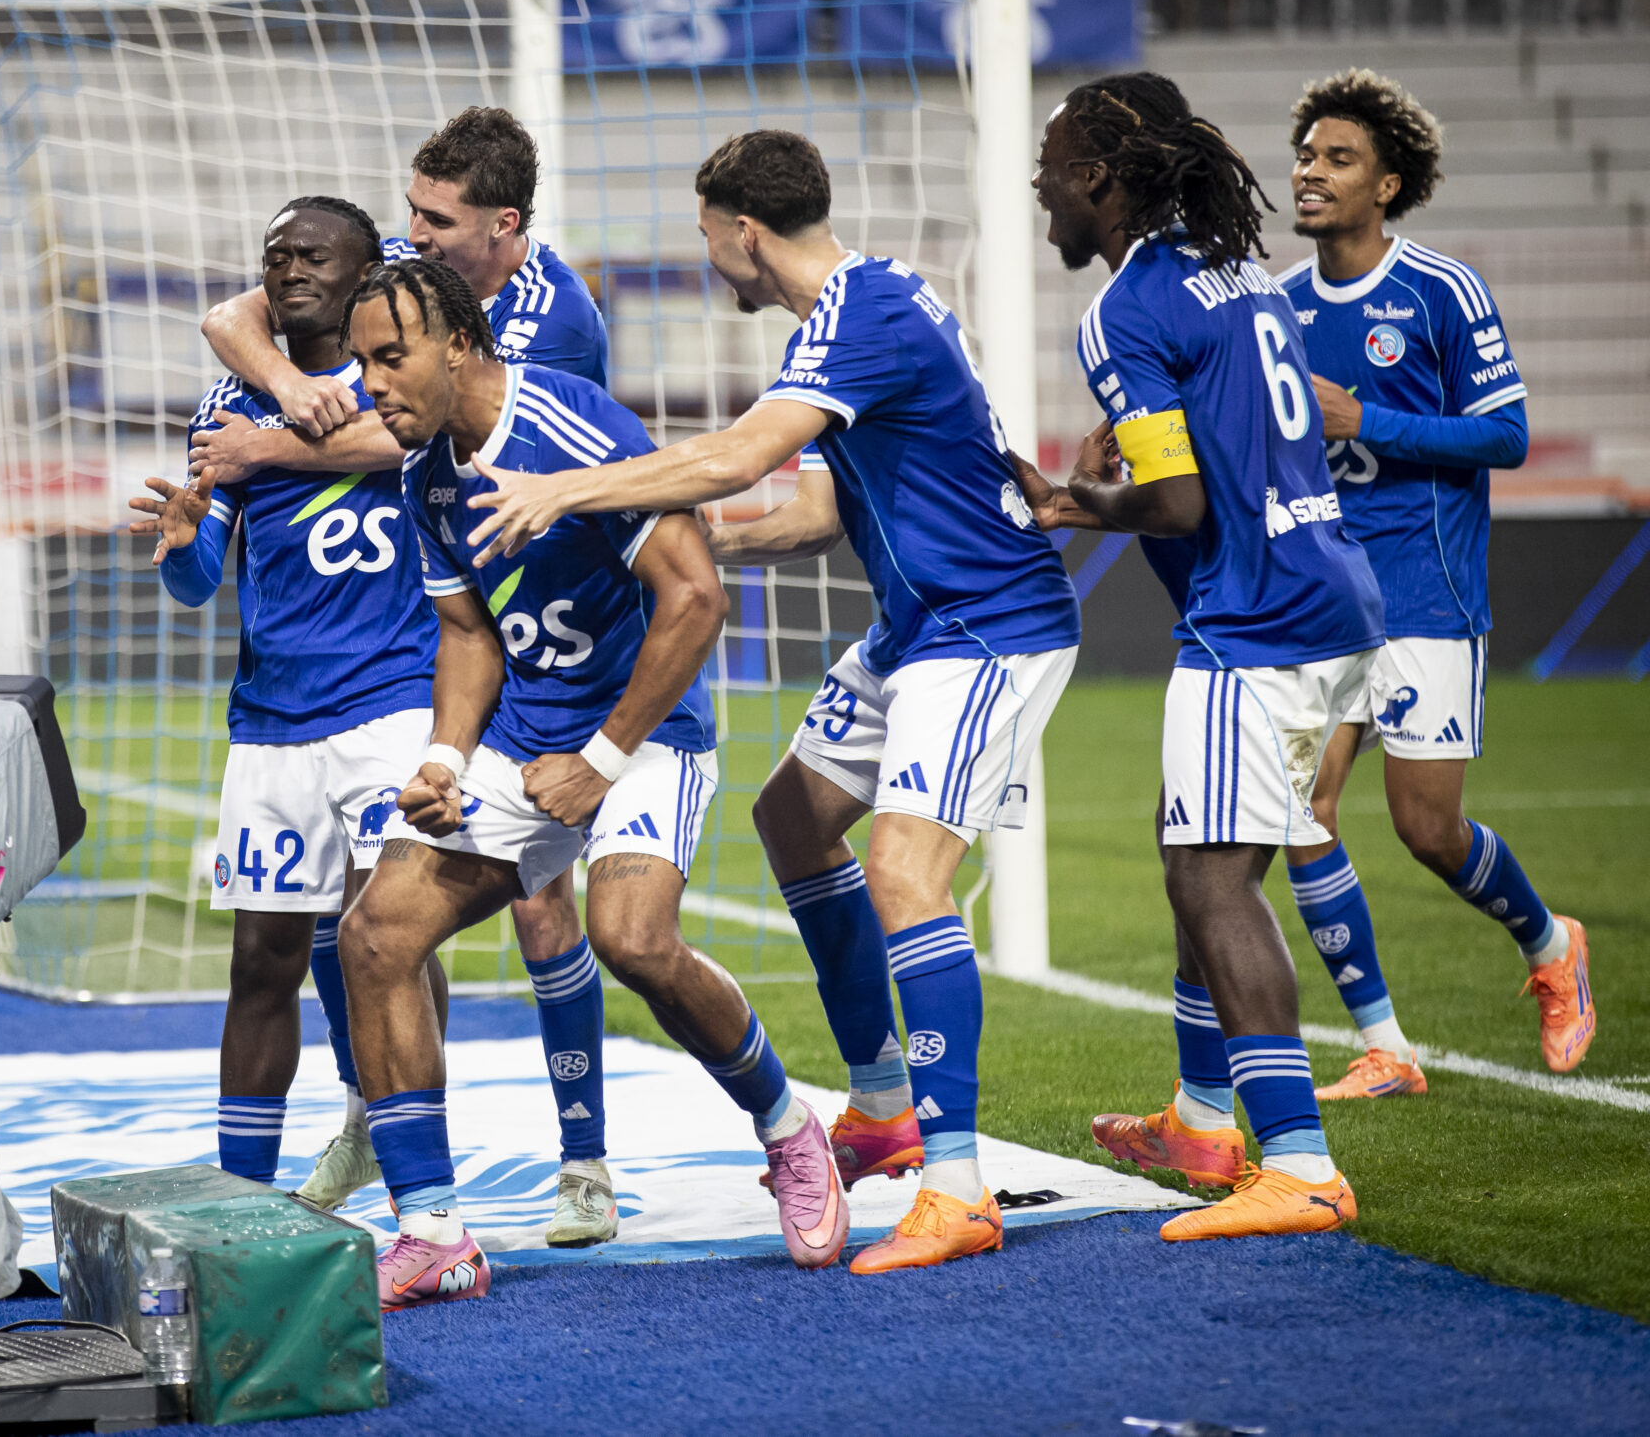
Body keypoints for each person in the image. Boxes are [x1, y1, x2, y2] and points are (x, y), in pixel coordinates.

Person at [466, 129, 1082, 1272]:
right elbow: (807, 511)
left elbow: (740, 456)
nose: (709, 262)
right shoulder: (867, 307)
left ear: (743, 231)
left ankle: (954, 1187)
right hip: (916, 629)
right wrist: (683, 552)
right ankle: (882, 1104)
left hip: (988, 627)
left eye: (708, 239)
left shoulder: (861, 312)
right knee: (790, 821)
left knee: (903, 870)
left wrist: (573, 492)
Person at [339, 258, 846, 1310]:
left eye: (389, 358)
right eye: (359, 364)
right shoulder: (420, 473)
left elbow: (696, 596)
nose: (369, 385)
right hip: (530, 739)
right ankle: (431, 1232)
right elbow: (469, 631)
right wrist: (441, 762)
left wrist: (602, 762)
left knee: (633, 943)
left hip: (644, 735)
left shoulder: (571, 427)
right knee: (376, 934)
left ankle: (790, 1133)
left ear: (458, 346)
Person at [188, 110, 622, 1236]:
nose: (415, 239)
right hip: (463, 614)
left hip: (548, 626)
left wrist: (268, 439)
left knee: (546, 909)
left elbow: (409, 435)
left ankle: (586, 1161)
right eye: (411, 216)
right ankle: (372, 1120)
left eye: (435, 222)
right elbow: (233, 312)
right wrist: (285, 385)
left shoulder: (551, 323)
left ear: (502, 225)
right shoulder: (413, 289)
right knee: (364, 918)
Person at [1029, 71, 1382, 1242]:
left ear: (1094, 177)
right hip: (1328, 588)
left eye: (1050, 164)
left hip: (1255, 614)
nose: (1038, 184)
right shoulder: (1232, 265)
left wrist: (1088, 500)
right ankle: (1195, 1118)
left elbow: (1174, 502)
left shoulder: (1122, 306)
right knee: (1202, 853)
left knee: (1208, 881)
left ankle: (1296, 1163)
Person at [127, 198, 491, 1227]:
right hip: (272, 722)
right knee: (261, 961)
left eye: (310, 257)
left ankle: (416, 1179)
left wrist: (280, 439)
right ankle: (242, 1205)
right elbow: (200, 584)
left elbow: (400, 443)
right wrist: (189, 535)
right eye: (274, 257)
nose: (287, 272)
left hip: (390, 707)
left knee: (389, 933)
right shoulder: (225, 404)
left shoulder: (400, 386)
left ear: (365, 269)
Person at [1275, 68, 1592, 1086]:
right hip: (1326, 597)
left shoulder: (1440, 292)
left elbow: (1505, 436)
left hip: (1424, 591)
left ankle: (1550, 947)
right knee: (1300, 815)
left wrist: (1363, 420)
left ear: (1387, 184)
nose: (1309, 172)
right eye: (1307, 155)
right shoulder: (1277, 308)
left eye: (1337, 159)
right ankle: (1383, 1047)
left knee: (1426, 828)